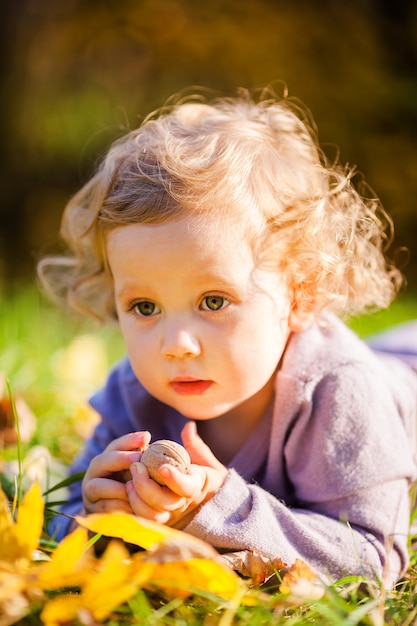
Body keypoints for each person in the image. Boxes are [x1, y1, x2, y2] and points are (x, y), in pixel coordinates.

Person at [38, 87, 417, 586]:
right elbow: (61, 524)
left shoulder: (339, 394)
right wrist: (95, 515)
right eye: (144, 307)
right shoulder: (134, 396)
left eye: (213, 301)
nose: (176, 343)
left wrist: (219, 509)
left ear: (300, 295)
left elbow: (371, 557)